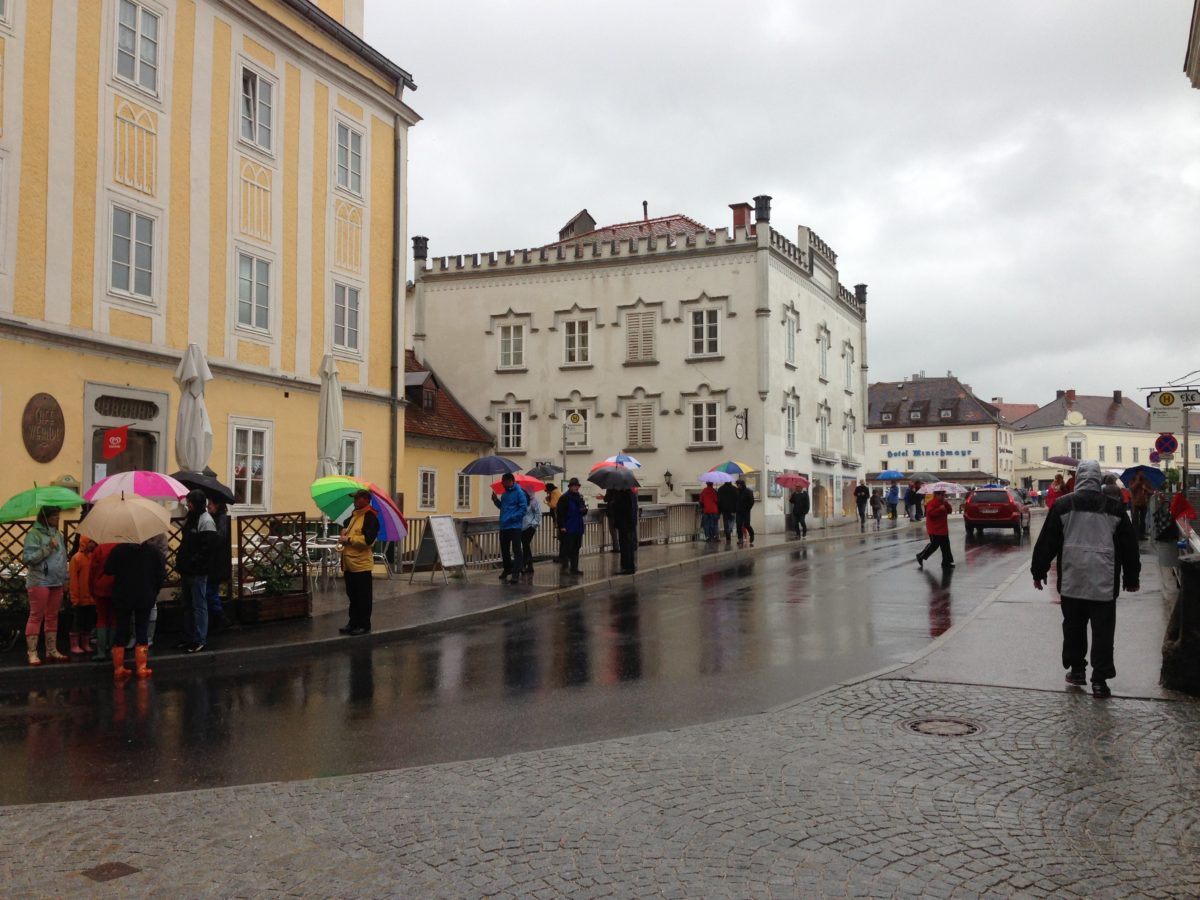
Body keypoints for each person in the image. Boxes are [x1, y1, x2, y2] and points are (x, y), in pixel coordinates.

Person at [1031, 460, 1140, 699]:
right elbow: (1129, 545)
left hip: (1073, 575)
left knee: (1073, 627)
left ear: (1079, 478)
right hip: (1104, 577)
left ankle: (1077, 669)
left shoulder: (1062, 505)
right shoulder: (1114, 508)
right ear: (1098, 479)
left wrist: (1038, 572)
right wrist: (1132, 577)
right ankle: (1100, 681)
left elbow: (1047, 541)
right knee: (1103, 631)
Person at [106, 539, 166, 680]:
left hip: (122, 595)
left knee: (121, 629)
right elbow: (161, 575)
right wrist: (154, 591)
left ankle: (119, 668)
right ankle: (141, 667)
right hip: (145, 595)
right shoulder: (153, 552)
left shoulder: (118, 550)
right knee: (142, 630)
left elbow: (108, 570)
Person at [22, 507, 69, 666]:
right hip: (40, 580)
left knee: (52, 615)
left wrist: (65, 578)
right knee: (37, 615)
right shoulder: (33, 535)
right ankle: (32, 652)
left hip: (56, 580)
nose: (57, 518)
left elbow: (63, 558)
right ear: (45, 517)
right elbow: (28, 558)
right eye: (54, 515)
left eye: (58, 515)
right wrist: (47, 548)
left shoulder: (57, 534)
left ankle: (51, 649)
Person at [176, 490, 217, 653]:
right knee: (188, 605)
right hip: (187, 569)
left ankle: (199, 639)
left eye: (190, 502)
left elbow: (207, 548)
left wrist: (193, 561)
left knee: (199, 605)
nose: (188, 505)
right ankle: (189, 637)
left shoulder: (206, 521)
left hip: (197, 571)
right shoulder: (191, 518)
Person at [338, 490, 379, 634]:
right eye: (354, 498)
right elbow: (351, 535)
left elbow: (368, 541)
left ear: (366, 500)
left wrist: (348, 539)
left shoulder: (370, 518)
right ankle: (353, 622)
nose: (354, 501)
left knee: (363, 596)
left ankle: (364, 624)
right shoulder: (353, 517)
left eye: (357, 498)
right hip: (349, 565)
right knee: (353, 596)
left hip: (361, 565)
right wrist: (344, 534)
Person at [492, 474, 528, 584]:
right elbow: (502, 507)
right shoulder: (504, 494)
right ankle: (507, 569)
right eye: (503, 482)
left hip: (515, 526)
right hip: (504, 526)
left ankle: (516, 573)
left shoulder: (519, 493)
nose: (504, 484)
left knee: (517, 550)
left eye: (506, 482)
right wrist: (495, 500)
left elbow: (523, 508)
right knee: (504, 550)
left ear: (512, 481)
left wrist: (513, 518)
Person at [68, 535, 97, 657]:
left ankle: (85, 643)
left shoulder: (94, 557)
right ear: (85, 542)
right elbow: (73, 580)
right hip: (80, 598)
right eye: (91, 541)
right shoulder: (77, 558)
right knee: (78, 622)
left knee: (88, 622)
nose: (94, 544)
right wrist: (75, 597)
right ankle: (74, 644)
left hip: (92, 598)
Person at [89, 541, 117, 660]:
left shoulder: (99, 549)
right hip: (116, 587)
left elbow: (92, 571)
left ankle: (101, 652)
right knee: (114, 618)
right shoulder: (121, 547)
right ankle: (112, 649)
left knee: (101, 618)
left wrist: (91, 588)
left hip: (100, 587)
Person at [205, 499, 231, 631]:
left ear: (218, 505)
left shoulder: (221, 519)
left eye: (211, 503)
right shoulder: (215, 517)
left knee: (210, 591)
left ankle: (220, 619)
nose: (208, 505)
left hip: (216, 563)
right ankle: (218, 619)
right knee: (210, 591)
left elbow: (219, 538)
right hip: (215, 562)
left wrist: (208, 536)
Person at [915, 488, 954, 569]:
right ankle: (921, 556)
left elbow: (950, 510)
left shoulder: (943, 503)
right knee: (934, 545)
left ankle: (946, 562)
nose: (943, 496)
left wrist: (946, 504)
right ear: (936, 495)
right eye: (942, 495)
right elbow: (931, 514)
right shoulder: (932, 503)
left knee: (946, 546)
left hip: (943, 528)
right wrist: (939, 509)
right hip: (934, 529)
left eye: (944, 495)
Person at [556, 478, 588, 575]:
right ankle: (565, 568)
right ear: (570, 487)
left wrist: (584, 510)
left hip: (578, 527)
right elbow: (560, 513)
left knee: (576, 548)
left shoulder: (579, 497)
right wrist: (562, 526)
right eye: (574, 486)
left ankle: (574, 568)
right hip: (568, 527)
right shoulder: (564, 498)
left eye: (577, 486)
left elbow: (583, 509)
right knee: (567, 549)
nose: (576, 487)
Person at [606, 487, 638, 574]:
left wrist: (614, 504)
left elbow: (623, 508)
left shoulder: (625, 495)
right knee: (628, 545)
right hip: (630, 523)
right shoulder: (632, 494)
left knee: (625, 546)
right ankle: (629, 566)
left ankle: (626, 567)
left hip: (625, 524)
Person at [519, 488, 541, 574]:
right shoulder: (521, 501)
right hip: (521, 527)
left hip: (530, 527)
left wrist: (534, 525)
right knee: (525, 545)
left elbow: (538, 514)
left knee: (525, 544)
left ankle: (525, 565)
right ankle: (529, 565)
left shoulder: (534, 501)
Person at [1129, 472, 1151, 539]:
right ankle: (1135, 535)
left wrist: (1146, 489)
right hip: (1135, 503)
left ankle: (1142, 535)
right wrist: (1137, 481)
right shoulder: (1132, 480)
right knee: (1135, 519)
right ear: (1137, 473)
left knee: (1142, 520)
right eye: (1140, 473)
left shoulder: (1146, 481)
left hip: (1144, 503)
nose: (1142, 474)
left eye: (1142, 473)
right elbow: (1131, 489)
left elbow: (1151, 491)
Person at [734, 479, 756, 547]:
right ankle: (740, 539)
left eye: (739, 485)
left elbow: (751, 501)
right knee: (738, 525)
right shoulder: (736, 491)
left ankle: (751, 534)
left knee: (746, 524)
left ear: (743, 484)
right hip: (738, 511)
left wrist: (748, 508)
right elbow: (734, 500)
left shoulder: (748, 491)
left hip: (746, 511)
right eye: (737, 485)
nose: (738, 486)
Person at [716, 480, 738, 545]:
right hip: (733, 509)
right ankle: (730, 530)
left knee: (725, 521)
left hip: (724, 509)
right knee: (732, 520)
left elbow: (718, 500)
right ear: (730, 482)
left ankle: (727, 533)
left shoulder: (720, 489)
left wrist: (719, 509)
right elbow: (737, 499)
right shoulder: (735, 489)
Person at [544, 483, 562, 563]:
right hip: (559, 517)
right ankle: (564, 556)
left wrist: (547, 501)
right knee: (562, 538)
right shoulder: (556, 491)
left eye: (547, 491)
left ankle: (562, 556)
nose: (547, 492)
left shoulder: (554, 493)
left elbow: (553, 505)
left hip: (559, 517)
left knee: (561, 538)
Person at [603, 488, 623, 554]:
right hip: (618, 512)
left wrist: (603, 497)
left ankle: (616, 547)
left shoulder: (610, 488)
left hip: (612, 512)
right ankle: (619, 546)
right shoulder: (620, 488)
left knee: (612, 530)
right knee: (617, 530)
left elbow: (606, 498)